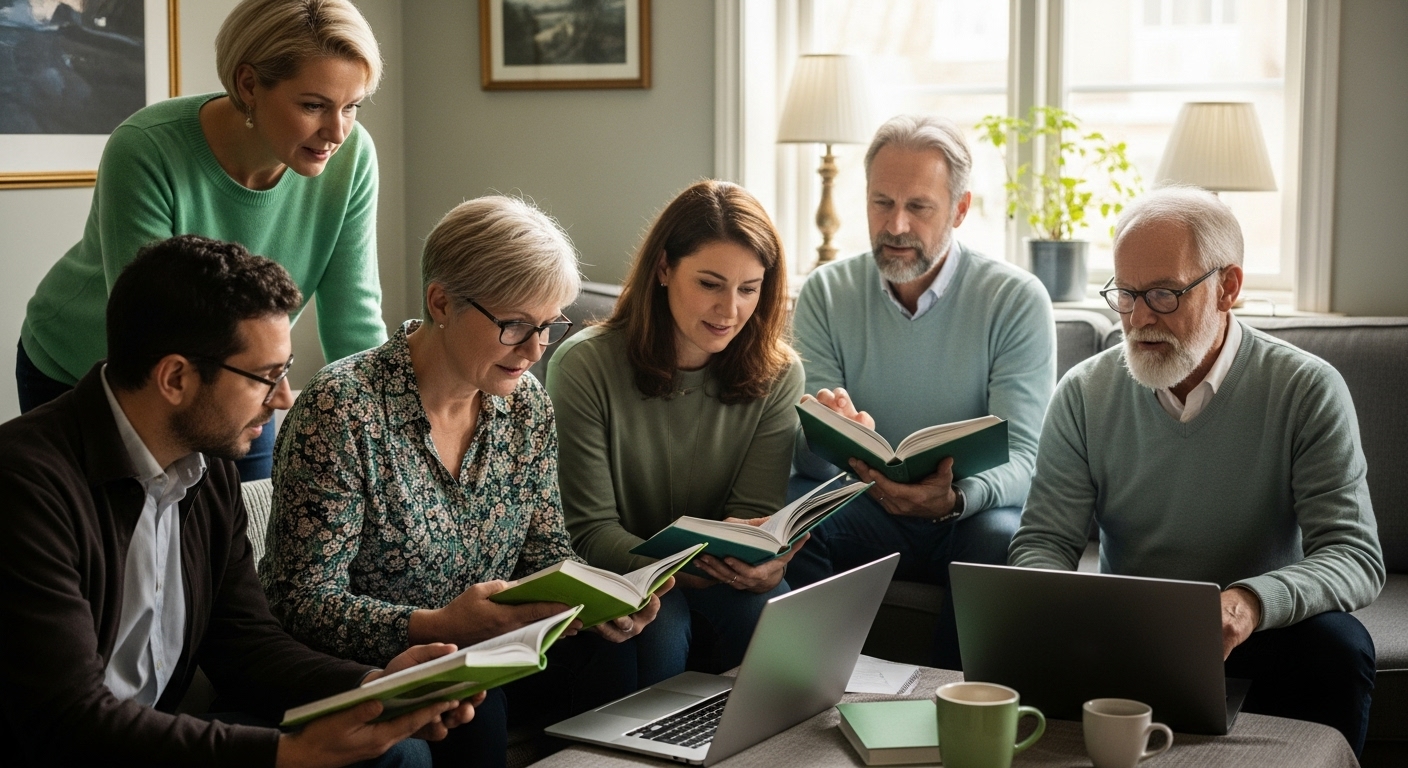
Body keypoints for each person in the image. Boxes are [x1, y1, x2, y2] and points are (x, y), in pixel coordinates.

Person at [0, 235, 479, 768]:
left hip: (151, 735)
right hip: (69, 749)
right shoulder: (25, 484)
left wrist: (375, 684)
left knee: (398, 749)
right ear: (175, 377)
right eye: (265, 377)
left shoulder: (209, 470)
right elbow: (67, 721)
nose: (281, 399)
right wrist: (287, 753)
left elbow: (245, 644)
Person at [259, 197, 662, 768]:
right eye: (516, 325)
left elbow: (543, 553)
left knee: (616, 653)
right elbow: (302, 603)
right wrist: (440, 626)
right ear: (441, 302)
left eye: (548, 327)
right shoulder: (342, 409)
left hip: (489, 653)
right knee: (472, 700)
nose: (533, 351)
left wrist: (597, 601)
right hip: (376, 665)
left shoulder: (526, 408)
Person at [1008, 186, 1383, 754]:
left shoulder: (1306, 390)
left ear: (1227, 287)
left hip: (1258, 631)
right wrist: (1057, 611)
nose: (1138, 319)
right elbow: (1043, 542)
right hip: (1126, 634)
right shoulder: (1084, 393)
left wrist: (1248, 603)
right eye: (1126, 294)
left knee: (1339, 646)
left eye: (1163, 294)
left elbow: (1355, 556)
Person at [17, 0, 390, 480]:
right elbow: (151, 324)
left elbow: (354, 319)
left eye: (351, 106)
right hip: (90, 369)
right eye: (313, 105)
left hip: (239, 381)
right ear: (249, 84)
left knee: (245, 533)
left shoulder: (352, 158)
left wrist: (383, 433)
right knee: (113, 541)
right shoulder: (147, 146)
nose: (336, 132)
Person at [786, 115, 1056, 669]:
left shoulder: (1015, 299)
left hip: (969, 516)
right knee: (795, 519)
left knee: (1003, 540)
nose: (897, 225)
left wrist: (957, 498)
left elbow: (1029, 459)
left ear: (959, 210)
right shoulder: (825, 291)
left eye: (920, 206)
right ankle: (804, 695)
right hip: (863, 502)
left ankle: (952, 710)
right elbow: (802, 452)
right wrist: (831, 435)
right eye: (881, 203)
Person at [547, 180, 805, 685]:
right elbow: (589, 532)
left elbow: (752, 518)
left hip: (711, 577)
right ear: (663, 268)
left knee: (772, 608)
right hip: (618, 573)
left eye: (748, 289)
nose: (729, 310)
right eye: (710, 283)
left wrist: (763, 564)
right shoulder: (583, 365)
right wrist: (696, 570)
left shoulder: (779, 374)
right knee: (664, 621)